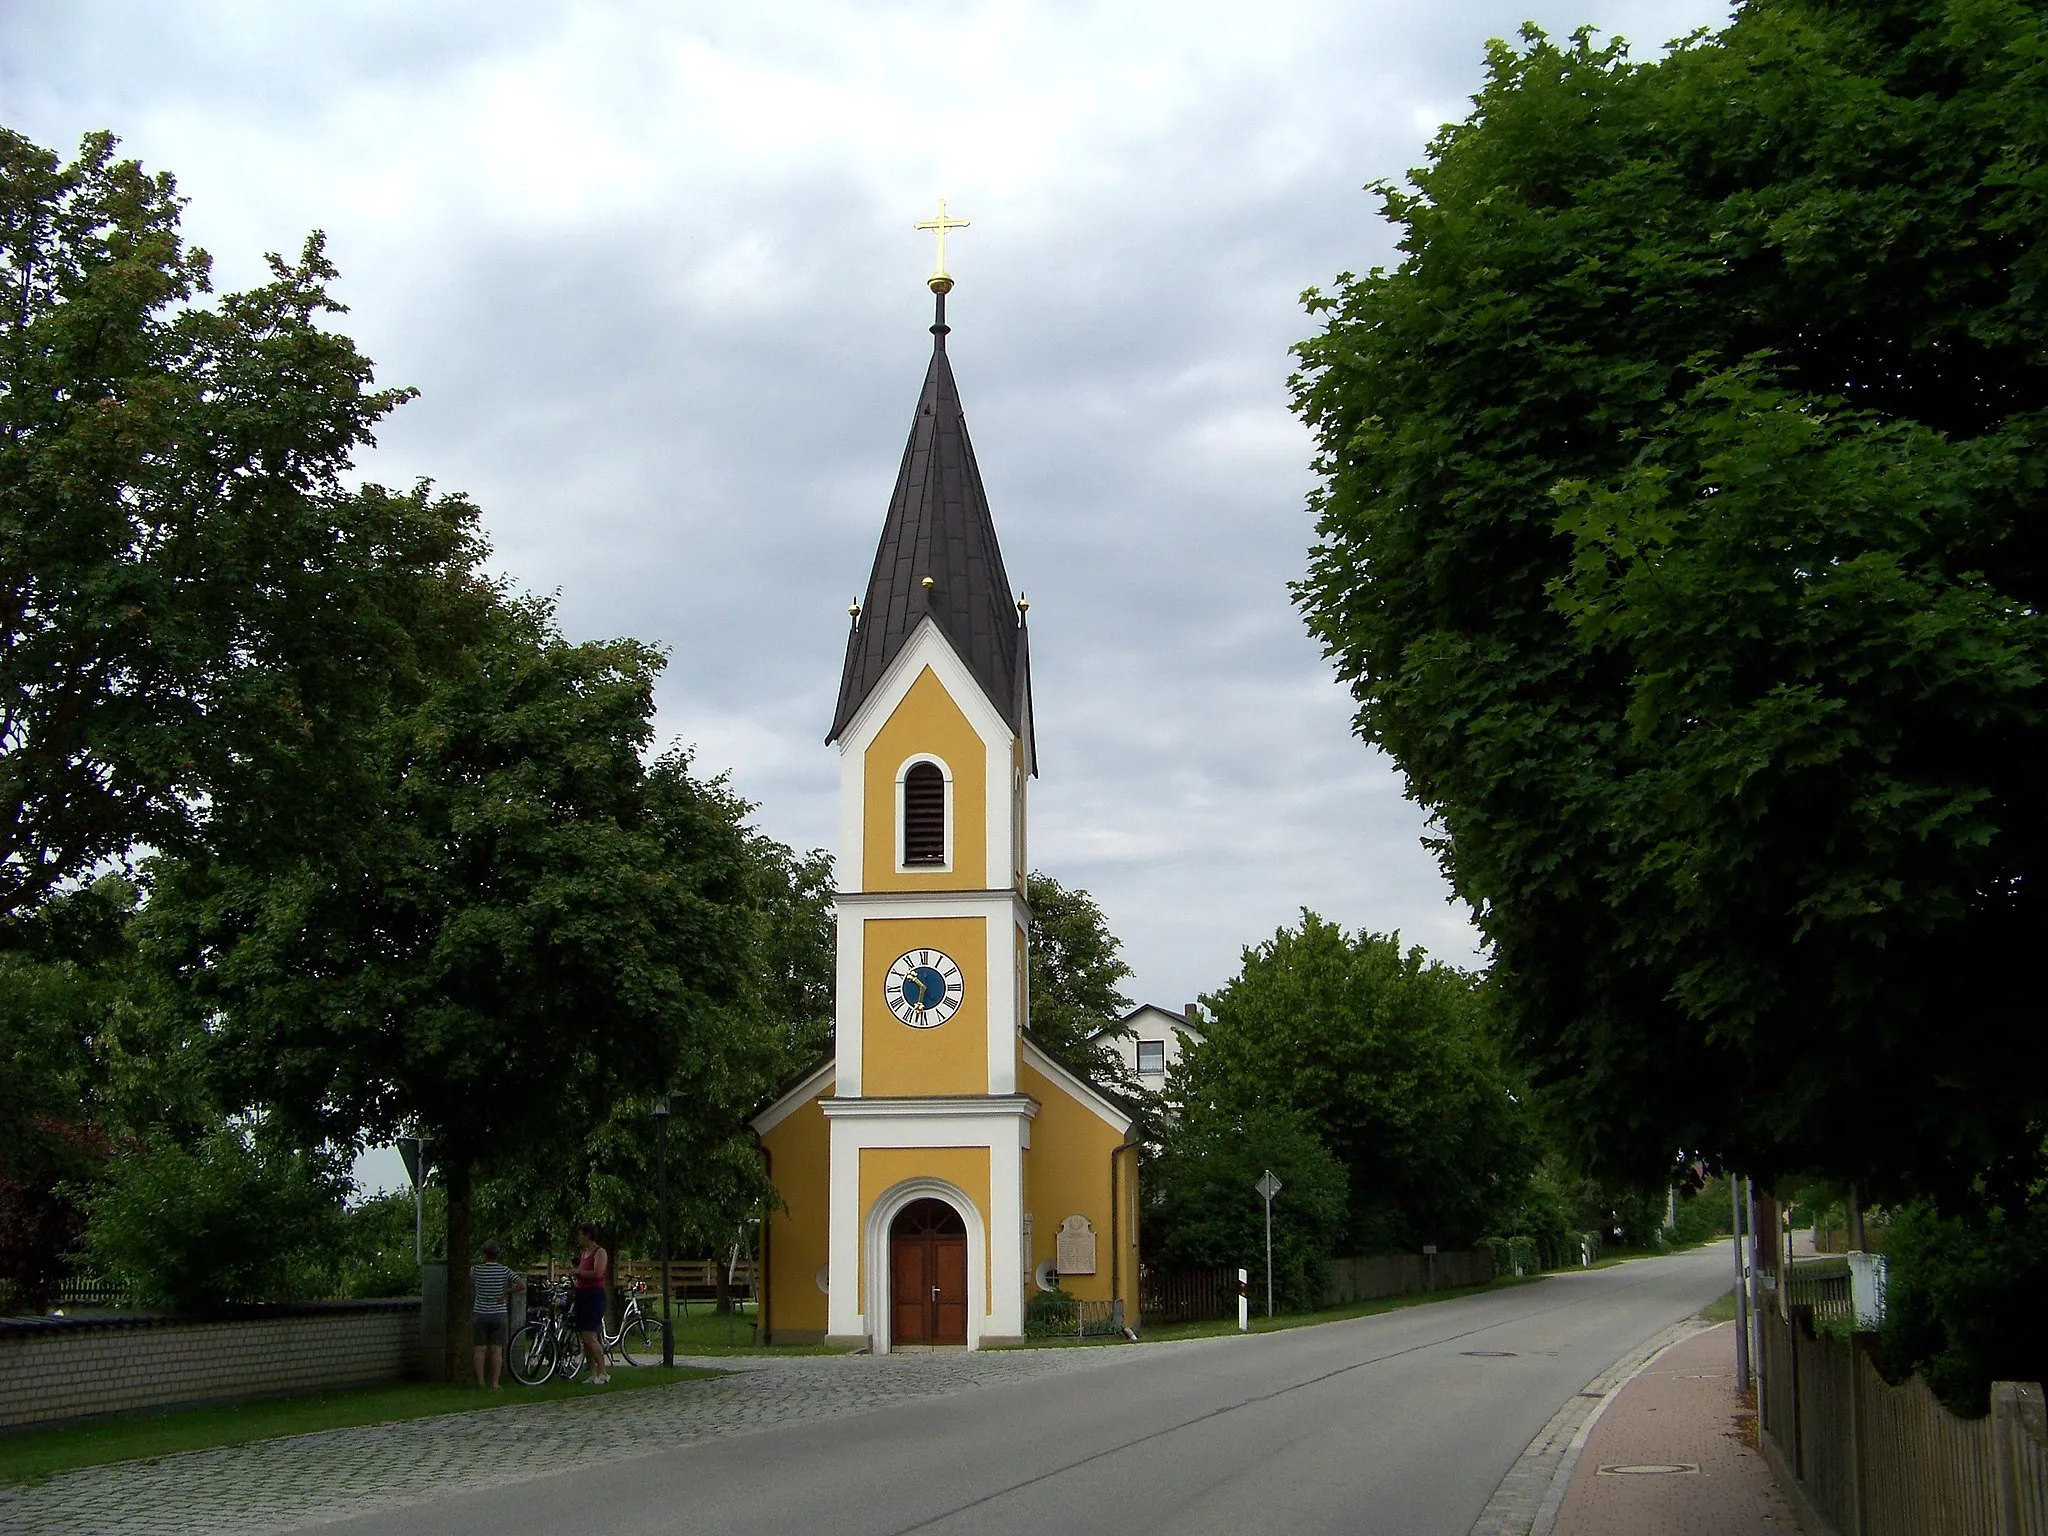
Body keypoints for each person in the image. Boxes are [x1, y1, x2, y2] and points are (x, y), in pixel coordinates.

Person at [469, 1241, 525, 1390]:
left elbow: (470, 1285)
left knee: (479, 1349)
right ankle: (495, 1383)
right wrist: (506, 1292)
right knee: (496, 1349)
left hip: (480, 1313)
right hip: (498, 1313)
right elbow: (521, 1285)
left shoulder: (475, 1270)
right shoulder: (504, 1270)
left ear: (484, 1255)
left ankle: (480, 1382)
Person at [571, 1222, 610, 1385]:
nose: (579, 1238)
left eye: (581, 1235)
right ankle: (592, 1371)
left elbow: (597, 1273)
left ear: (588, 1235)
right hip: (581, 1294)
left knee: (590, 1335)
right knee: (584, 1338)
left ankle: (603, 1372)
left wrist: (579, 1272)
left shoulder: (599, 1252)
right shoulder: (583, 1253)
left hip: (593, 1296)